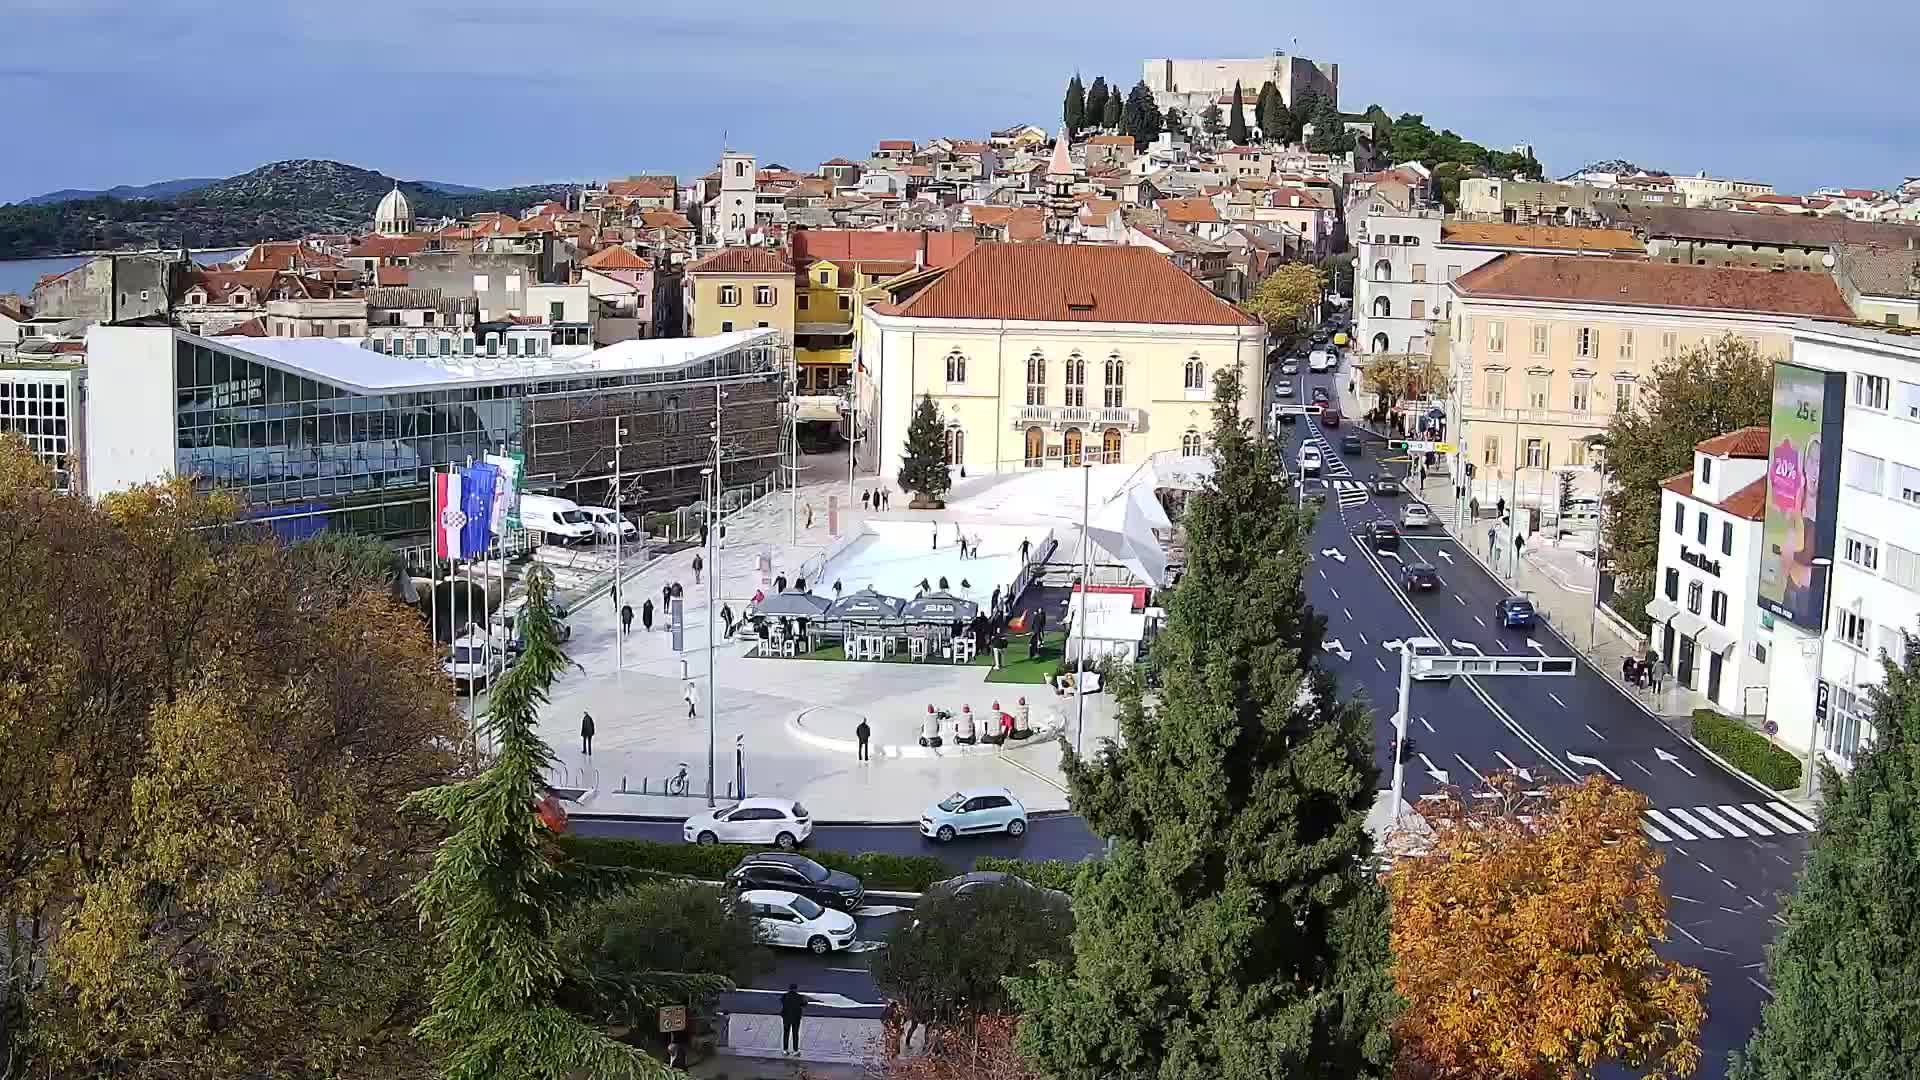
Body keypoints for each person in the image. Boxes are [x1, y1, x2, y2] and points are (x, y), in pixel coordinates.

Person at [780, 985, 807, 1054]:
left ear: (789, 989)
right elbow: (804, 1004)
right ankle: (795, 1050)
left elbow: (782, 1002)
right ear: (796, 989)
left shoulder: (785, 996)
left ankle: (785, 1050)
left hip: (786, 1017)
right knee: (795, 1034)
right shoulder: (799, 997)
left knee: (786, 1033)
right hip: (796, 1018)